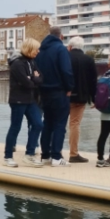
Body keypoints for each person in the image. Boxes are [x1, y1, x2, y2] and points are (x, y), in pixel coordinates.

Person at [36, 26, 74, 167]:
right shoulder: (60, 49)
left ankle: (45, 155)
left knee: (47, 123)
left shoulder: (40, 50)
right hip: (59, 91)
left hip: (43, 91)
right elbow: (66, 70)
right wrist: (69, 87)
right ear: (61, 36)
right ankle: (56, 157)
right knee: (59, 125)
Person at [2, 38, 44, 168]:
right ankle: (8, 156)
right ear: (30, 49)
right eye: (36, 49)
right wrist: (33, 78)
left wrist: (33, 78)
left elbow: (40, 79)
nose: (38, 51)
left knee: (38, 124)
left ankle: (29, 154)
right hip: (18, 100)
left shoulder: (32, 62)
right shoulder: (17, 64)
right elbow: (27, 83)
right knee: (15, 127)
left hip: (31, 100)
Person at [67, 36, 98, 163]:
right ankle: (73, 153)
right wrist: (94, 98)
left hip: (64, 95)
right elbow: (93, 81)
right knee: (74, 124)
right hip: (81, 97)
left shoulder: (65, 57)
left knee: (58, 123)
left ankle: (52, 152)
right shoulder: (89, 60)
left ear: (69, 47)